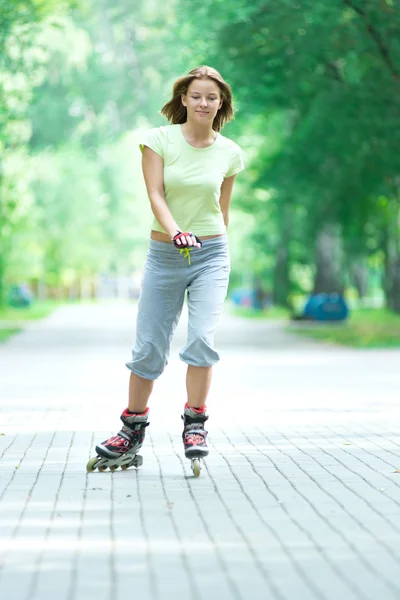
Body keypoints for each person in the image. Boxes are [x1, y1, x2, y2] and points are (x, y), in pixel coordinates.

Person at [88, 65, 244, 474]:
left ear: (221, 102)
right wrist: (176, 232)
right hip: (165, 254)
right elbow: (155, 194)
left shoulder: (230, 152)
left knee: (202, 339)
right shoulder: (158, 141)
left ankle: (196, 423)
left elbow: (221, 212)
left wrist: (210, 243)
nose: (204, 103)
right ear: (183, 100)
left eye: (212, 97)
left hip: (211, 255)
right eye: (196, 96)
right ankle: (131, 430)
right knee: (149, 347)